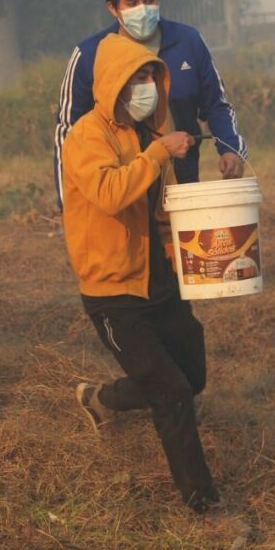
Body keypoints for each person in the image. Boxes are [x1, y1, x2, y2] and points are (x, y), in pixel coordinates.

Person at [64, 33, 222, 514]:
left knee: (191, 376)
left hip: (160, 279)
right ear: (112, 84)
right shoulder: (86, 137)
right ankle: (203, 502)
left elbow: (162, 207)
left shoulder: (150, 134)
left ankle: (103, 400)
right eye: (134, 78)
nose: (145, 86)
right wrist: (156, 157)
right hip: (113, 292)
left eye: (151, 75)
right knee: (172, 394)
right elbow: (111, 193)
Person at [54, 0, 246, 206]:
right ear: (113, 8)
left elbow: (216, 105)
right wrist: (66, 201)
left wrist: (230, 148)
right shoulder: (90, 54)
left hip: (181, 180)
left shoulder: (188, 42)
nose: (142, 9)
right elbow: (68, 131)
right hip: (122, 188)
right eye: (132, 2)